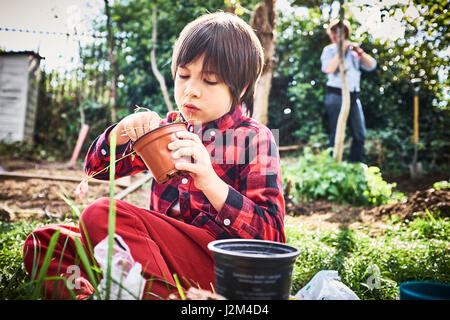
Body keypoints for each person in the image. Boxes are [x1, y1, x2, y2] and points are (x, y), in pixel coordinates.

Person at [22, 12, 286, 300]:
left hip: (218, 269)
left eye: (209, 80)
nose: (191, 90)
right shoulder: (165, 130)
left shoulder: (252, 138)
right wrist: (118, 135)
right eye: (183, 75)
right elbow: (94, 169)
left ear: (242, 88)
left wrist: (210, 182)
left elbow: (272, 238)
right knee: (45, 242)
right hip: (154, 256)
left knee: (102, 214)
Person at [320, 19, 377, 163]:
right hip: (335, 95)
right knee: (337, 132)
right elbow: (328, 69)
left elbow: (371, 65)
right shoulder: (329, 50)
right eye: (331, 33)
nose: (333, 35)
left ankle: (354, 165)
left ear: (344, 33)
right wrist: (341, 51)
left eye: (336, 32)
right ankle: (332, 166)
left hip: (353, 97)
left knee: (360, 134)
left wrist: (359, 52)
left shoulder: (354, 52)